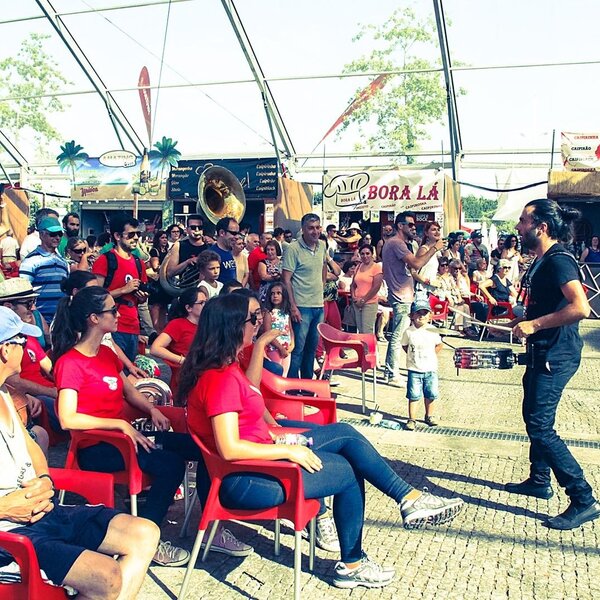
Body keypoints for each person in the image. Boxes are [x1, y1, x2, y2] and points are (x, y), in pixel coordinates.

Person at [181, 293, 464, 590]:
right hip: (247, 480)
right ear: (232, 326)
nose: (260, 322)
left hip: (257, 464)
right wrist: (288, 451)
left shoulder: (225, 369)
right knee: (348, 472)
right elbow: (229, 448)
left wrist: (279, 435)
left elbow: (247, 402)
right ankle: (354, 563)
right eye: (253, 318)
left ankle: (408, 500)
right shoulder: (220, 379)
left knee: (345, 433)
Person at [0, 307, 160, 598]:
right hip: (8, 531)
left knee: (144, 533)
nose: (27, 349)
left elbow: (30, 445)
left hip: (41, 511)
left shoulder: (4, 394)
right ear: (5, 350)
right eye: (22, 342)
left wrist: (45, 479)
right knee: (105, 577)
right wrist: (5, 508)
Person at [52, 286, 194, 566]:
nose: (119, 315)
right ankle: (147, 539)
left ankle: (213, 526)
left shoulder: (106, 355)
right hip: (97, 447)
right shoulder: (70, 363)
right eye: (113, 310)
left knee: (194, 445)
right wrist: (119, 425)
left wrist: (152, 409)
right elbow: (68, 418)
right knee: (171, 464)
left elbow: (129, 392)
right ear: (94, 318)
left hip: (125, 439)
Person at [505, 199, 600, 529]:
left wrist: (535, 324)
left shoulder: (559, 260)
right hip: (541, 352)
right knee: (532, 416)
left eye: (523, 221)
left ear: (541, 227)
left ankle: (583, 498)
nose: (518, 227)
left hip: (555, 355)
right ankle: (539, 480)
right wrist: (522, 320)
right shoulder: (541, 260)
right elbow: (544, 304)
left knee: (541, 426)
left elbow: (581, 308)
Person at [381, 212, 444, 387]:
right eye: (410, 224)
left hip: (403, 294)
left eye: (414, 225)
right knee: (397, 337)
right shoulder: (396, 243)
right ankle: (392, 374)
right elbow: (416, 264)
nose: (413, 227)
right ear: (400, 226)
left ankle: (390, 371)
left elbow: (411, 267)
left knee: (398, 335)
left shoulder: (398, 243)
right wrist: (435, 248)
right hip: (401, 296)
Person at [92, 214, 148, 363]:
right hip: (112, 326)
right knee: (113, 368)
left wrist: (142, 298)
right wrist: (123, 290)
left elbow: (139, 299)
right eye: (130, 234)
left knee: (130, 370)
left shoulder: (139, 263)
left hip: (133, 325)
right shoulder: (105, 260)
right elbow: (95, 297)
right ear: (117, 236)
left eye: (138, 234)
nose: (136, 238)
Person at [282, 213, 327, 379]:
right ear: (303, 229)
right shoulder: (293, 248)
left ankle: (307, 385)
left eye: (317, 227)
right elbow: (286, 279)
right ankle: (293, 386)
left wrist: (321, 285)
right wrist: (293, 306)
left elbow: (323, 266)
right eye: (311, 228)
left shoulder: (322, 245)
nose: (315, 231)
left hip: (318, 305)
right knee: (298, 349)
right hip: (301, 306)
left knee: (311, 349)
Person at [401, 299, 443, 431]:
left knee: (431, 393)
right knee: (413, 395)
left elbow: (439, 345)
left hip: (430, 369)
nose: (421, 316)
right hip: (414, 369)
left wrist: (431, 355)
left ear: (430, 315)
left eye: (425, 313)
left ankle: (429, 415)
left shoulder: (433, 330)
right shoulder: (409, 331)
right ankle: (411, 419)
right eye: (418, 313)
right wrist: (412, 356)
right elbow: (405, 345)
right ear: (412, 315)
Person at [18, 216, 69, 323]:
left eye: (60, 234)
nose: (57, 237)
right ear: (41, 235)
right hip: (39, 319)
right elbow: (23, 291)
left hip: (60, 319)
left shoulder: (63, 262)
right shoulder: (30, 261)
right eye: (53, 234)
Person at [150, 287, 207, 372]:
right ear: (189, 308)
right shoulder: (177, 324)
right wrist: (182, 360)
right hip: (184, 374)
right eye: (201, 303)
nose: (205, 306)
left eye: (206, 302)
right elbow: (155, 348)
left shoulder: (207, 324)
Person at [262, 282, 294, 376]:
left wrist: (292, 344)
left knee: (284, 374)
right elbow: (268, 333)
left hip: (287, 348)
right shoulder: (269, 313)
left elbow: (290, 329)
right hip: (274, 348)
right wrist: (280, 348)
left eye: (278, 293)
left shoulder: (286, 313)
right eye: (272, 293)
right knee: (276, 374)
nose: (275, 296)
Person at [351, 243, 383, 334]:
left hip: (369, 303)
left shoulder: (377, 267)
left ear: (372, 254)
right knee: (360, 330)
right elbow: (353, 285)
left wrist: (363, 300)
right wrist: (354, 297)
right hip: (357, 303)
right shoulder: (358, 267)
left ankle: (370, 344)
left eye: (367, 253)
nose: (365, 256)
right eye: (362, 254)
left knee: (367, 331)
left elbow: (376, 287)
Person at [148, 229, 171, 333]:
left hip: (166, 282)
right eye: (162, 238)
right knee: (156, 306)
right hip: (158, 283)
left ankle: (161, 330)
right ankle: (156, 329)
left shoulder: (168, 251)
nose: (165, 240)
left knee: (164, 306)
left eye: (166, 238)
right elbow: (155, 266)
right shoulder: (155, 251)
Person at [412, 221, 443, 294]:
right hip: (422, 290)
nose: (437, 232)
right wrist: (425, 281)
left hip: (433, 290)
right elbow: (413, 271)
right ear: (426, 233)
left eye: (438, 230)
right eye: (433, 230)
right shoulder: (424, 249)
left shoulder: (437, 251)